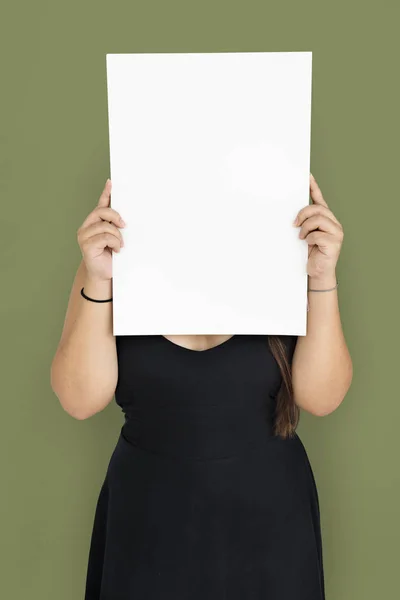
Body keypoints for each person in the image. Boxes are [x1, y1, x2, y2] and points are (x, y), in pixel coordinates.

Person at [50, 173, 352, 599]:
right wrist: (98, 278)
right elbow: (79, 400)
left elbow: (322, 398)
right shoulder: (114, 255)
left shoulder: (287, 250)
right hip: (147, 517)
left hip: (268, 521)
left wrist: (321, 276)